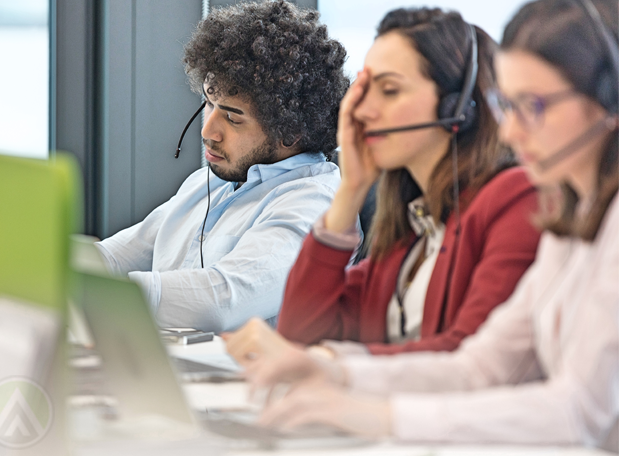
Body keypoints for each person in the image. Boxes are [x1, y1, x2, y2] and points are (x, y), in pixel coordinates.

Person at [227, 0, 619, 449]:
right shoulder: (568, 221)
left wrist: (376, 414)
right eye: (510, 105)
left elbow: (580, 413)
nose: (512, 131)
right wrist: (333, 369)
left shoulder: (538, 204)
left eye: (534, 104)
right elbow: (480, 367)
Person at [227, 8, 541, 358]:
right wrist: (349, 194)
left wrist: (334, 362)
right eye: (364, 91)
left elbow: (472, 359)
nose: (362, 112)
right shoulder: (410, 233)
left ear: (458, 107)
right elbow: (300, 334)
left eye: (389, 90)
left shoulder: (517, 201)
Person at [95, 0, 349, 332]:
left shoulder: (316, 205)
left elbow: (221, 301)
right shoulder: (210, 183)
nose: (208, 131)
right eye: (209, 104)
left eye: (232, 117)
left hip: (244, 381)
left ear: (290, 131)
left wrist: (99, 295)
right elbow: (113, 259)